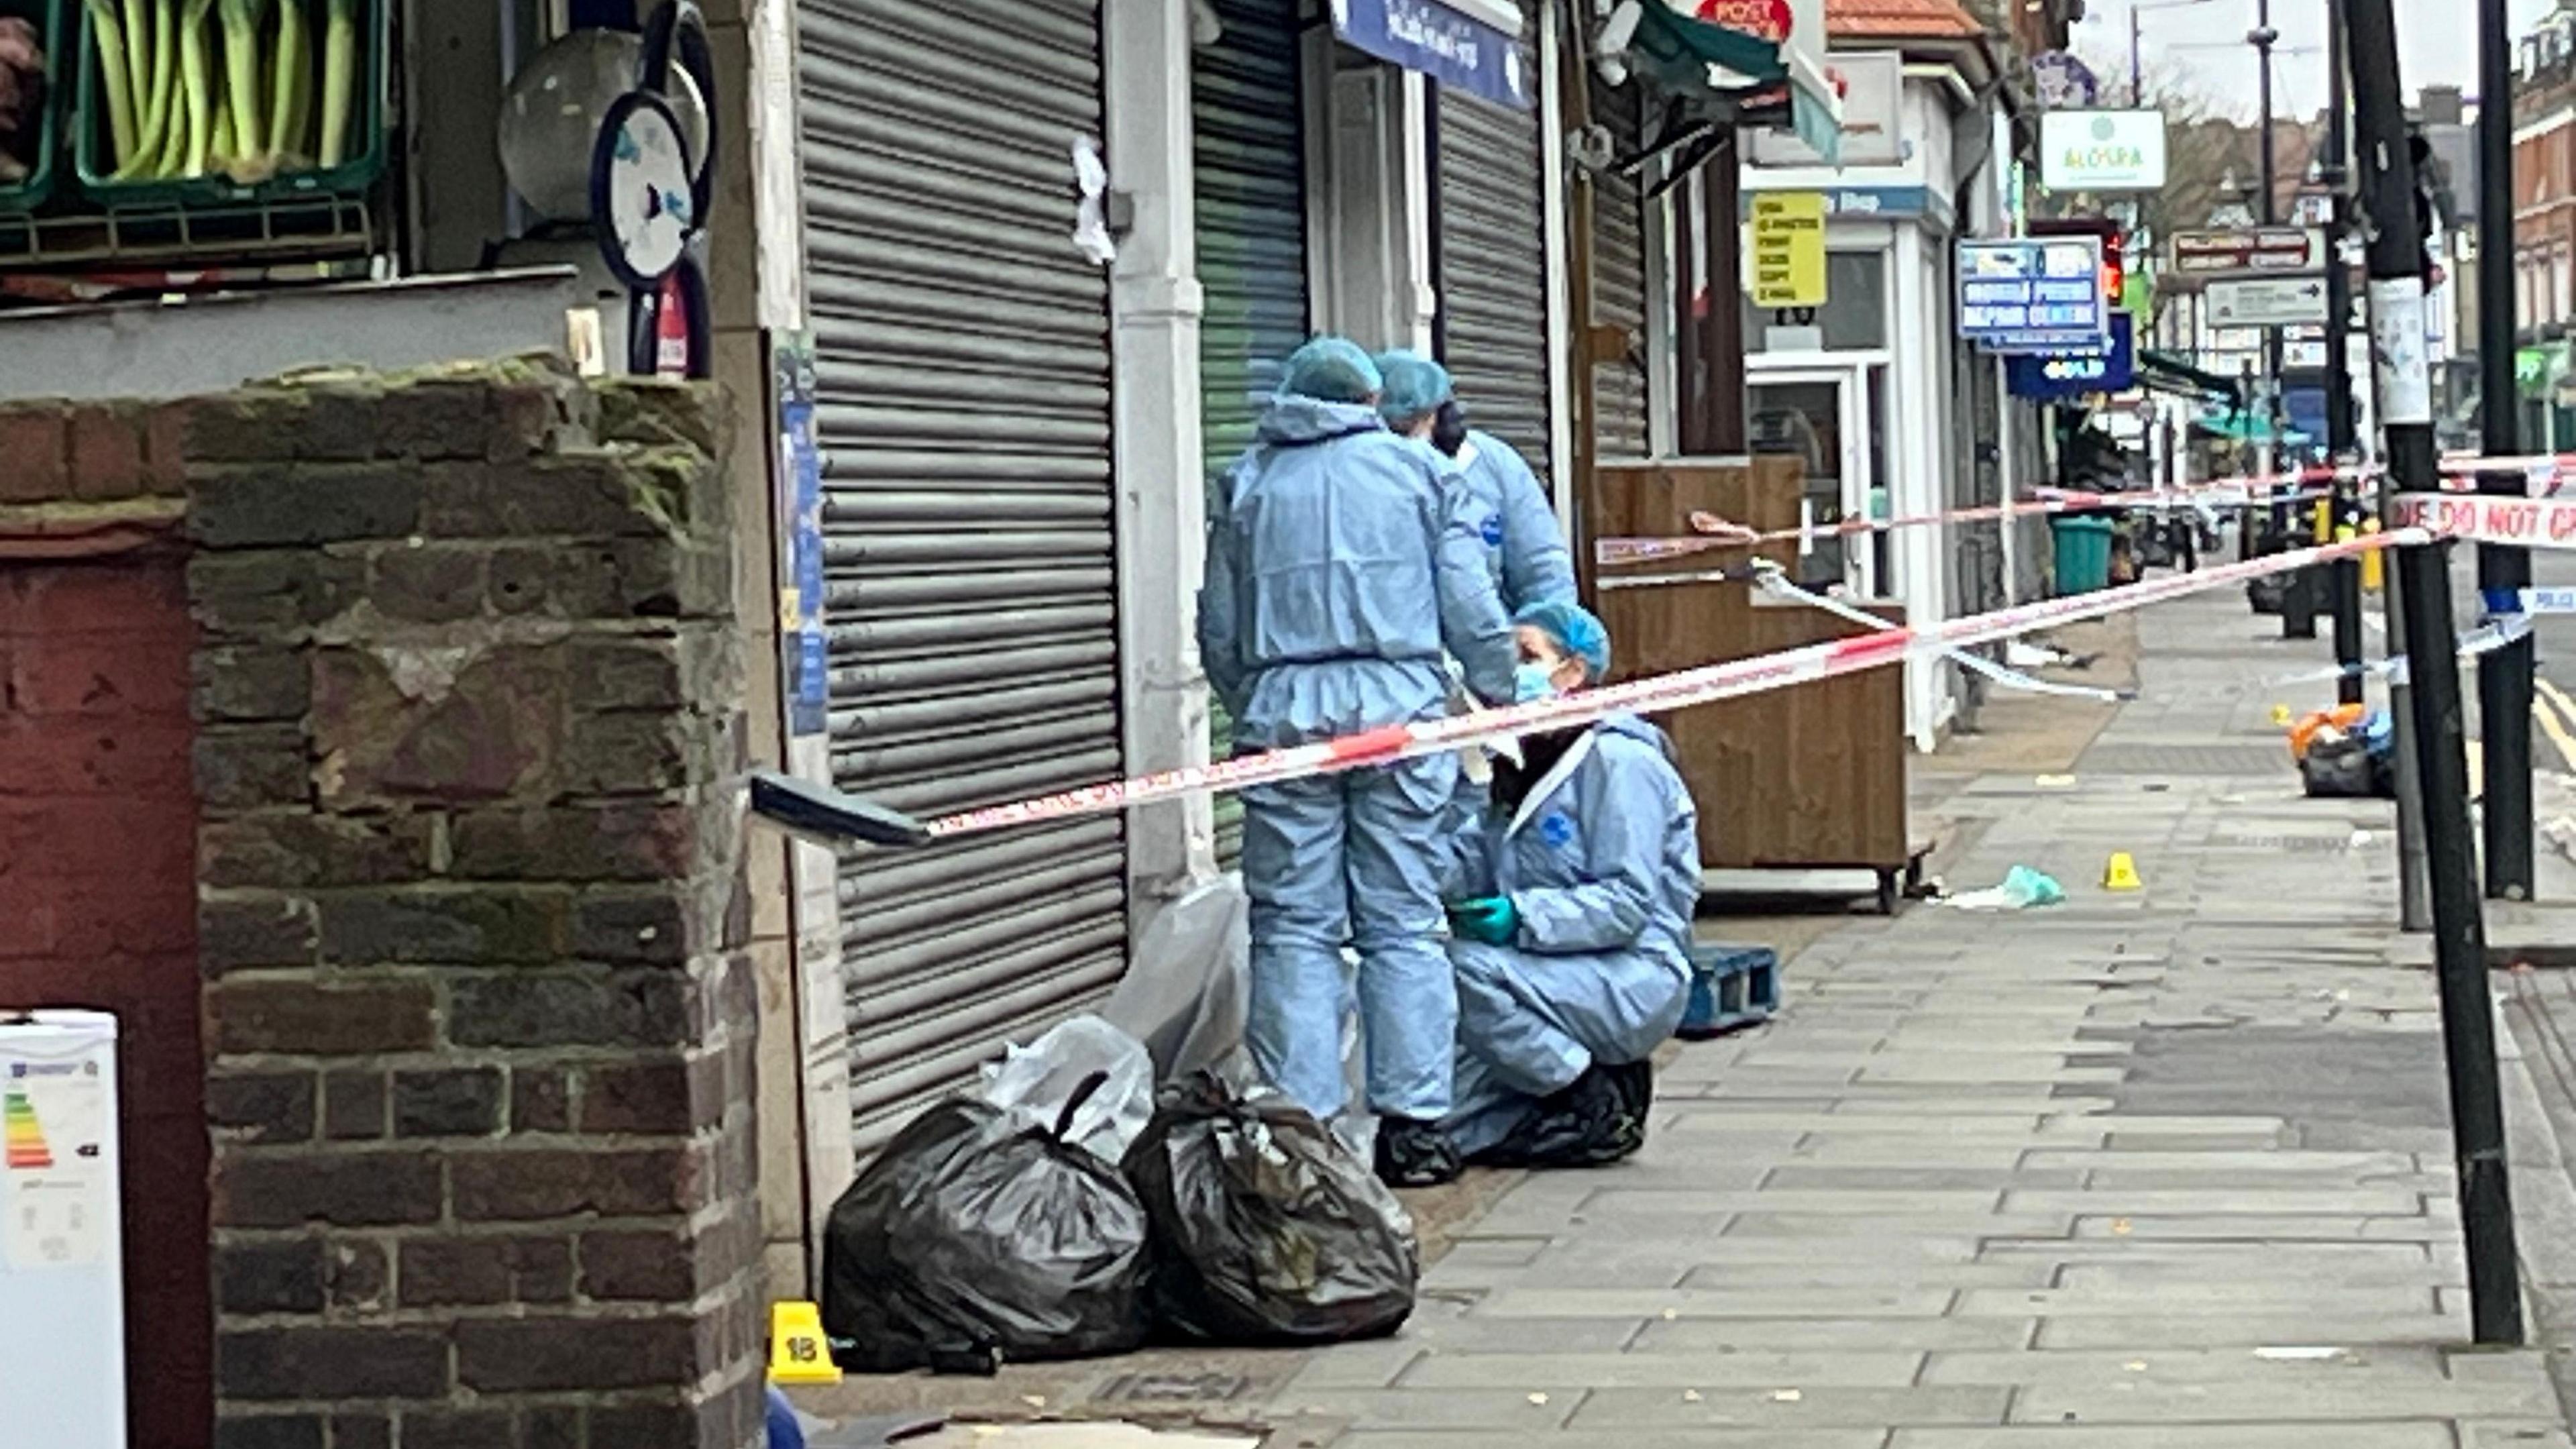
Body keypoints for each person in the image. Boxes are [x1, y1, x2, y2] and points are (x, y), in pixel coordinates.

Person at [1197, 335, 1517, 1187]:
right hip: (1400, 721)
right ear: (1370, 402)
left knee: (1293, 927)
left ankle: (1305, 1129)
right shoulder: (1423, 476)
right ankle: (1415, 1128)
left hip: (1284, 718)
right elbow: (1470, 605)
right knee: (1404, 920)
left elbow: (1220, 627)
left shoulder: (1249, 482)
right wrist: (1499, 688)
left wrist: (1255, 703)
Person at [1442, 600, 1701, 1168]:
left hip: (1633, 970)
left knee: (1461, 972)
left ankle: (1588, 1100)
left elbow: (1628, 902)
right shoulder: (1518, 764)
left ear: (1574, 672)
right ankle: (1583, 1089)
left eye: (1528, 655)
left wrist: (1521, 916)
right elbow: (1463, 861)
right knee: (1451, 1125)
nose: (1510, 671)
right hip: (1553, 970)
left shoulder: (1619, 763)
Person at [1372, 350, 1574, 607]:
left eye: (1411, 425)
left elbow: (1543, 568)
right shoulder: (1360, 473)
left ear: (1444, 418)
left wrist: (1542, 634)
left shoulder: (1495, 465)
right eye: (1393, 429)